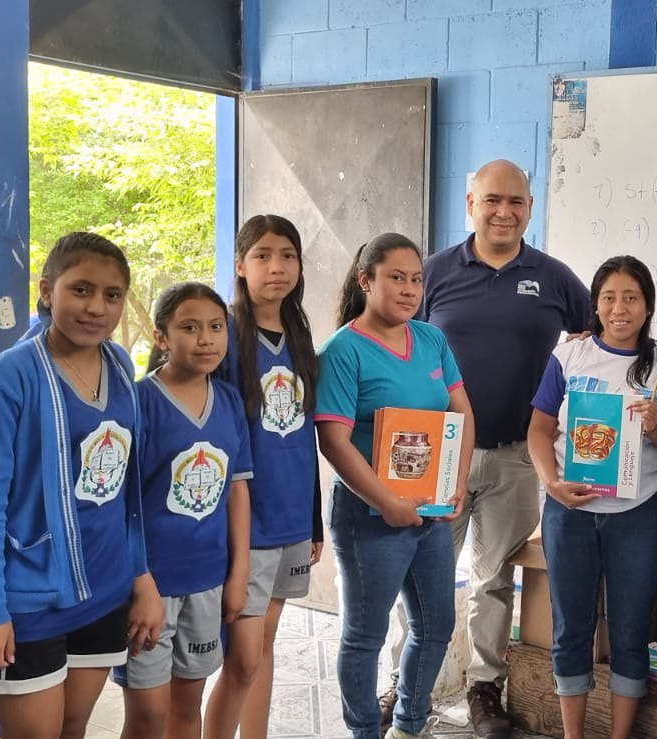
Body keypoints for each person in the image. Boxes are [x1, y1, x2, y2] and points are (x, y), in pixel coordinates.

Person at [0, 232, 163, 738]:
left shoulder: (119, 366)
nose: (97, 307)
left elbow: (126, 491)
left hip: (105, 587)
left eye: (112, 295)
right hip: (31, 599)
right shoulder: (8, 377)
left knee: (73, 727)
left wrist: (140, 576)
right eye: (81, 290)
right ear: (47, 290)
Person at [416, 158, 589, 736]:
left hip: (516, 456)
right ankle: (408, 682)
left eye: (516, 201)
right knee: (422, 573)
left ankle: (484, 688)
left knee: (492, 579)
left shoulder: (554, 277)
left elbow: (600, 338)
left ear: (530, 209)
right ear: (471, 205)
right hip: (441, 455)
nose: (503, 212)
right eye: (492, 200)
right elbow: (394, 342)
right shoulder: (433, 272)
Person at [316, 233, 476, 739]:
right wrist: (387, 504)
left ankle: (408, 725)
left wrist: (456, 483)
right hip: (370, 518)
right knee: (366, 634)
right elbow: (334, 441)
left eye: (416, 279)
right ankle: (364, 731)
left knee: (436, 627)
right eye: (396, 278)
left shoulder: (431, 340)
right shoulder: (342, 351)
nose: (409, 289)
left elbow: (462, 413)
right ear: (366, 281)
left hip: (430, 513)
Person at [526, 256, 657, 739]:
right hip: (569, 512)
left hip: (639, 515)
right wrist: (551, 483)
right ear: (595, 305)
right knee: (570, 627)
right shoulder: (569, 356)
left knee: (631, 630)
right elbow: (539, 431)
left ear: (648, 306)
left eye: (631, 298)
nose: (620, 309)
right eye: (609, 298)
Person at [113, 283, 253, 739]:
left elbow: (237, 490)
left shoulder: (229, 400)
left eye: (216, 327)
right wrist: (140, 581)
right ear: (161, 338)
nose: (206, 339)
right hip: (149, 586)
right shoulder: (138, 401)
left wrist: (238, 573)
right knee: (148, 716)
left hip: (208, 580)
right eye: (189, 328)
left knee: (187, 707)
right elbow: (120, 502)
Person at [204, 215, 325, 739]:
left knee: (265, 645)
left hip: (292, 516)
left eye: (288, 256)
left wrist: (314, 519)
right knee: (243, 657)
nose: (277, 267)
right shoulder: (222, 335)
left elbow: (306, 434)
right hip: (245, 521)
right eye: (263, 255)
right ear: (240, 264)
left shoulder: (300, 335)